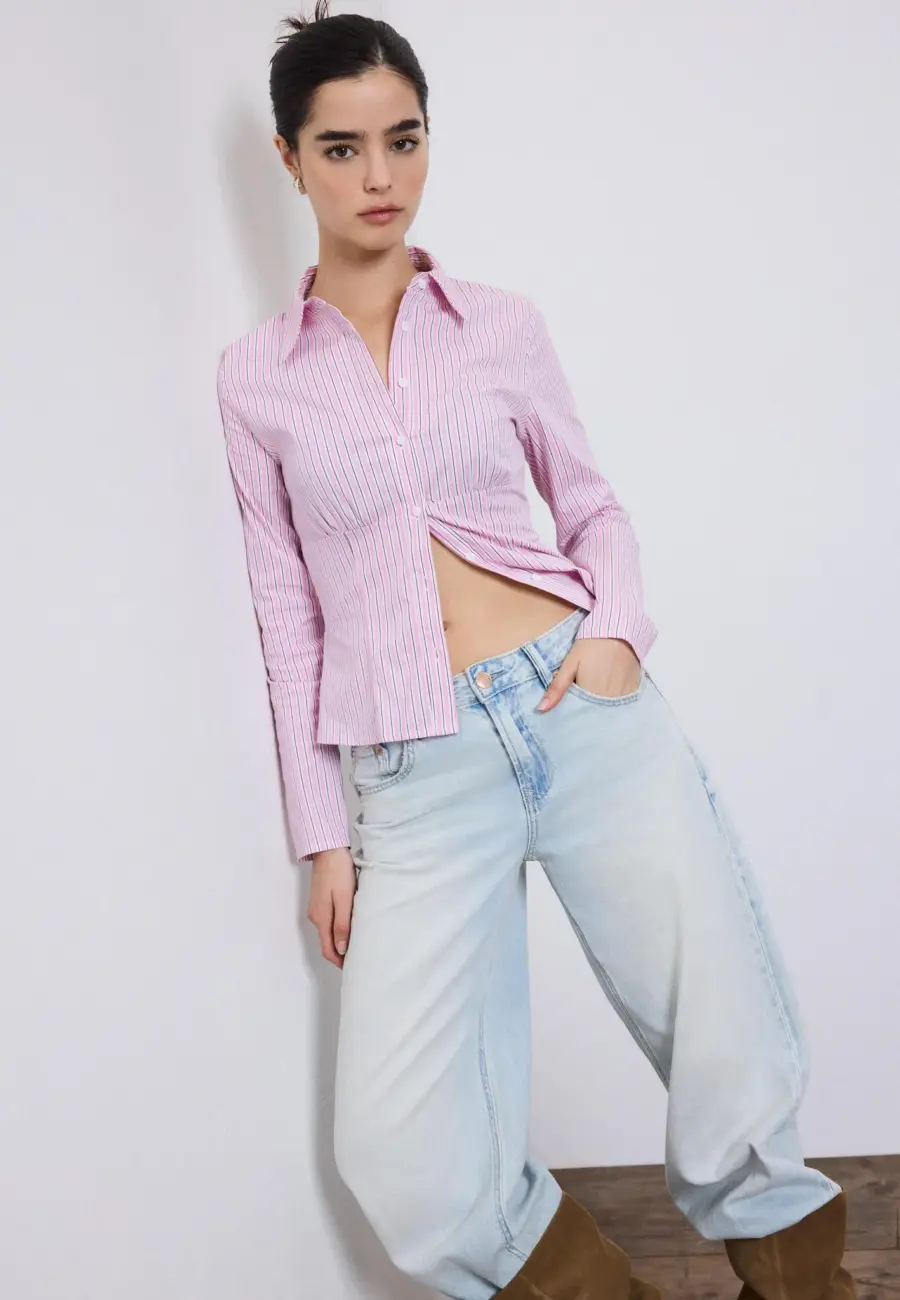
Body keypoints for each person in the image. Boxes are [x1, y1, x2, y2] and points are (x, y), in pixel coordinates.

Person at [215, 5, 857, 1297]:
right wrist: (323, 837)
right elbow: (287, 617)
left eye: (403, 139)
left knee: (724, 1029)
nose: (379, 176)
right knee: (396, 1146)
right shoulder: (254, 379)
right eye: (341, 148)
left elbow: (591, 505)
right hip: (413, 767)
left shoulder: (498, 324)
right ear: (289, 159)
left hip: (581, 705)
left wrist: (614, 633)